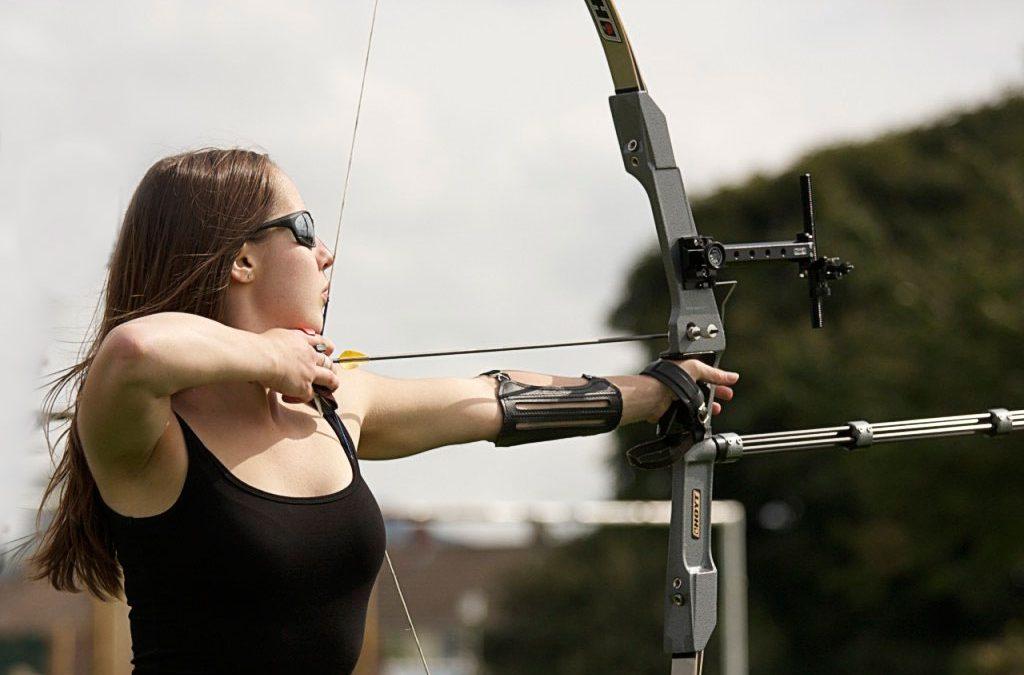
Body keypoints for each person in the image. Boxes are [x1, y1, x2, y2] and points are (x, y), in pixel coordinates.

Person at [31, 148, 739, 673]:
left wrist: (649, 393)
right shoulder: (146, 429)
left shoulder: (336, 404)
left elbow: (491, 398)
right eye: (304, 228)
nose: (326, 252)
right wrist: (272, 358)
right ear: (241, 260)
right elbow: (133, 349)